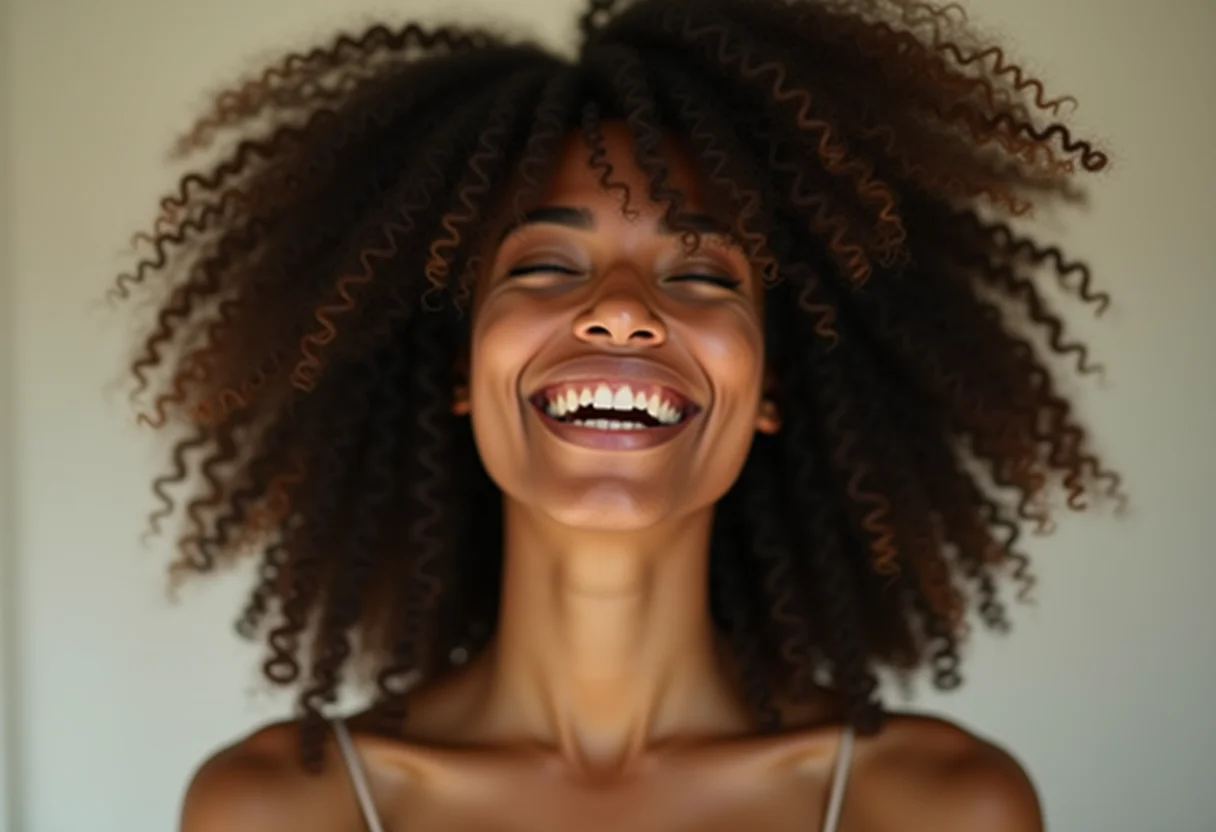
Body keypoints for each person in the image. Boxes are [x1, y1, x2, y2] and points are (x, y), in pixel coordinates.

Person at [112, 0, 1122, 829]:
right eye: (547, 264)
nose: (625, 312)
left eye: (700, 271)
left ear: (770, 384)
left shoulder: (937, 811)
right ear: (459, 366)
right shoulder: (285, 813)